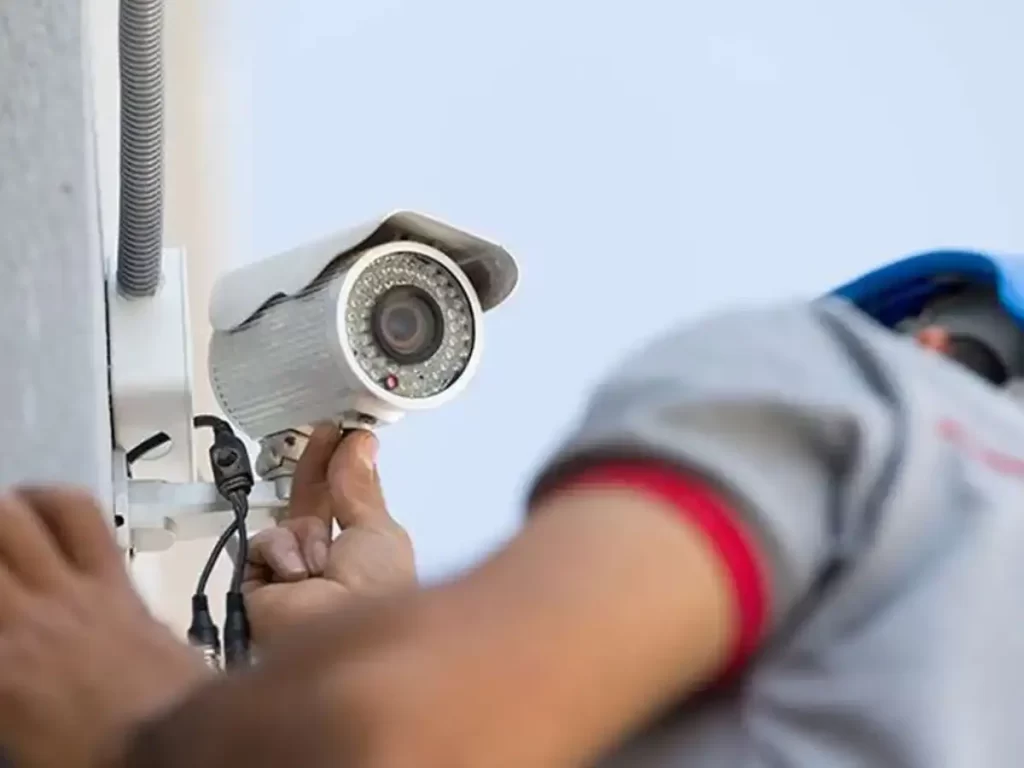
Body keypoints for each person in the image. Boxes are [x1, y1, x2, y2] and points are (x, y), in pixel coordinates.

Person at [1, 249, 1024, 767]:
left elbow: (401, 738)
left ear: (934, 344)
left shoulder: (873, 406)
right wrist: (379, 633)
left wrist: (140, 721)